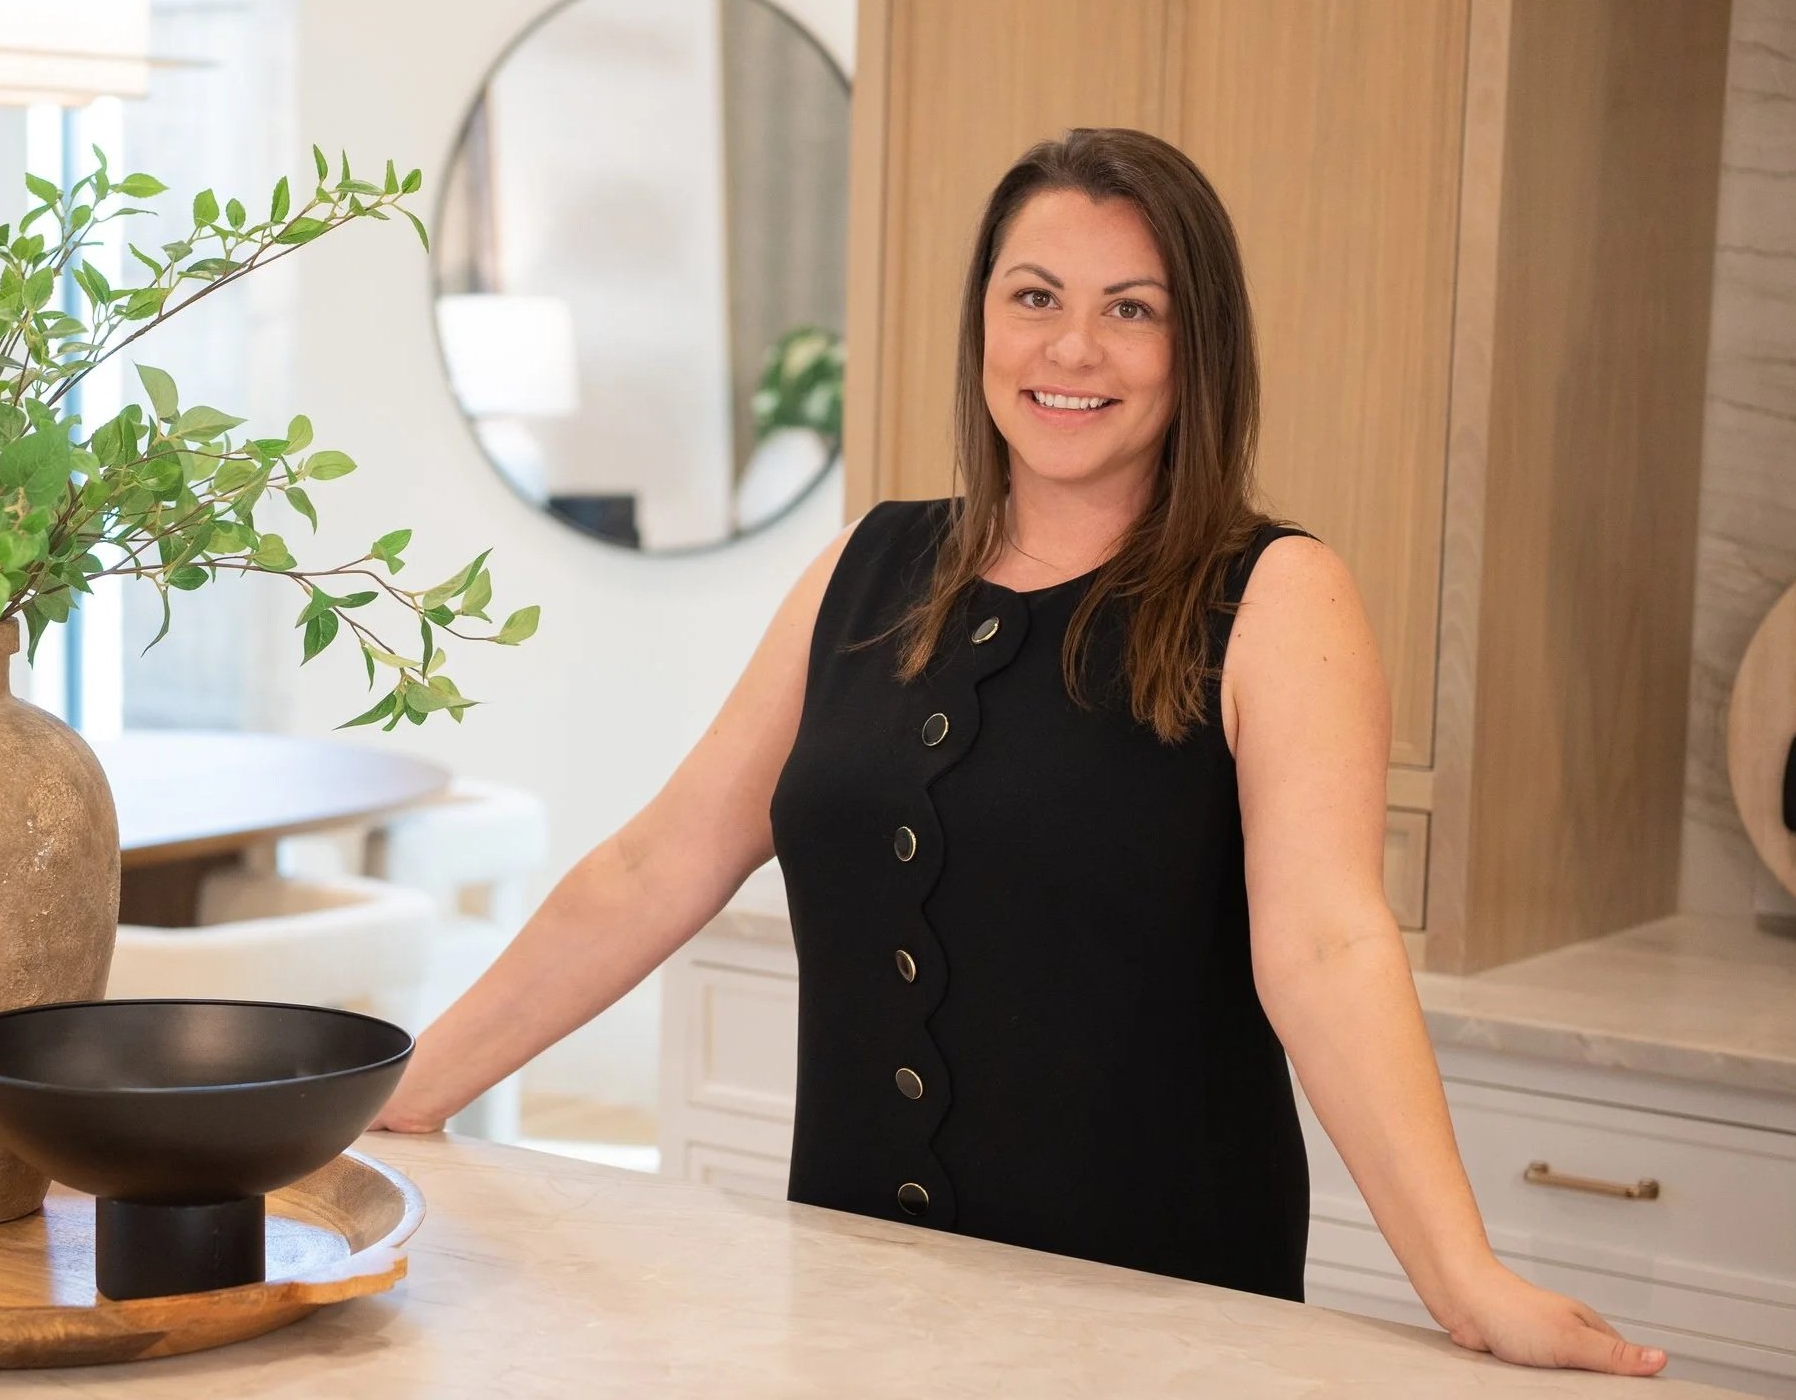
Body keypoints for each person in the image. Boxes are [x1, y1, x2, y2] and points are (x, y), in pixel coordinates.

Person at [372, 127, 1670, 1378]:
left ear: (1194, 346)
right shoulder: (866, 561)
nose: (1069, 346)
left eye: (1130, 308)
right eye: (1033, 295)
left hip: (1152, 1316)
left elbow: (1326, 944)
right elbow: (661, 859)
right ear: (981, 322)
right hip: (847, 1289)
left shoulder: (1275, 596)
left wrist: (1462, 1276)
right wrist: (397, 1095)